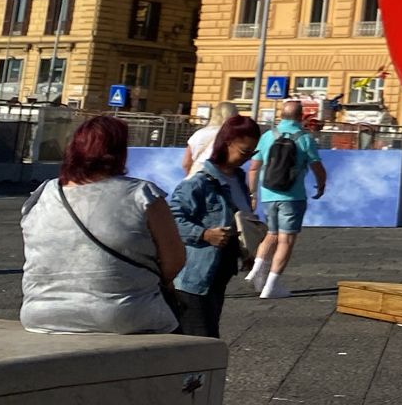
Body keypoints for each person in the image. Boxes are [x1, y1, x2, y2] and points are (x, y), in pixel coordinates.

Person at [20, 115, 184, 335]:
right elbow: (175, 260)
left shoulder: (43, 194)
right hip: (122, 314)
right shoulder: (142, 194)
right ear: (119, 152)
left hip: (40, 314)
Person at [167, 114, 261, 337]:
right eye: (244, 152)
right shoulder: (199, 182)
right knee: (201, 342)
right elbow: (172, 220)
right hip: (194, 277)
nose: (247, 159)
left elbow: (240, 219)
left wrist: (246, 249)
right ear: (227, 143)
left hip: (219, 271)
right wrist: (205, 234)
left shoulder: (238, 179)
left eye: (252, 153)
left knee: (204, 339)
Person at [244, 99, 327, 299]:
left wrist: (253, 193)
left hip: (268, 194)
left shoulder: (267, 136)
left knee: (271, 234)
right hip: (293, 195)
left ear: (281, 115)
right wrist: (321, 184)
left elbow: (254, 167)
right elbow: (316, 166)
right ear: (301, 117)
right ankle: (271, 285)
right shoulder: (304, 138)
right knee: (286, 240)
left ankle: (256, 269)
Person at [181, 103, 239, 175]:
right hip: (221, 179)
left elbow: (186, 163)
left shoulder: (198, 134)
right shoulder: (233, 136)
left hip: (197, 176)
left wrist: (190, 177)